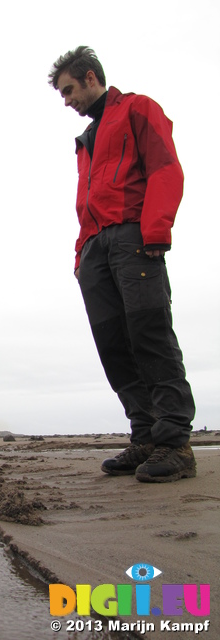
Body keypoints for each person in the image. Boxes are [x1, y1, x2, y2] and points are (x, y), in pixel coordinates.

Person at [48, 46, 196, 483]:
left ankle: (174, 445)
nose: (66, 100)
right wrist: (80, 254)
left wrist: (155, 231)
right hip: (95, 249)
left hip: (133, 237)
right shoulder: (86, 139)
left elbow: (166, 169)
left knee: (148, 334)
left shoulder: (137, 108)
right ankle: (146, 436)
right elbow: (85, 204)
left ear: (91, 77)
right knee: (113, 344)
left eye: (69, 90)